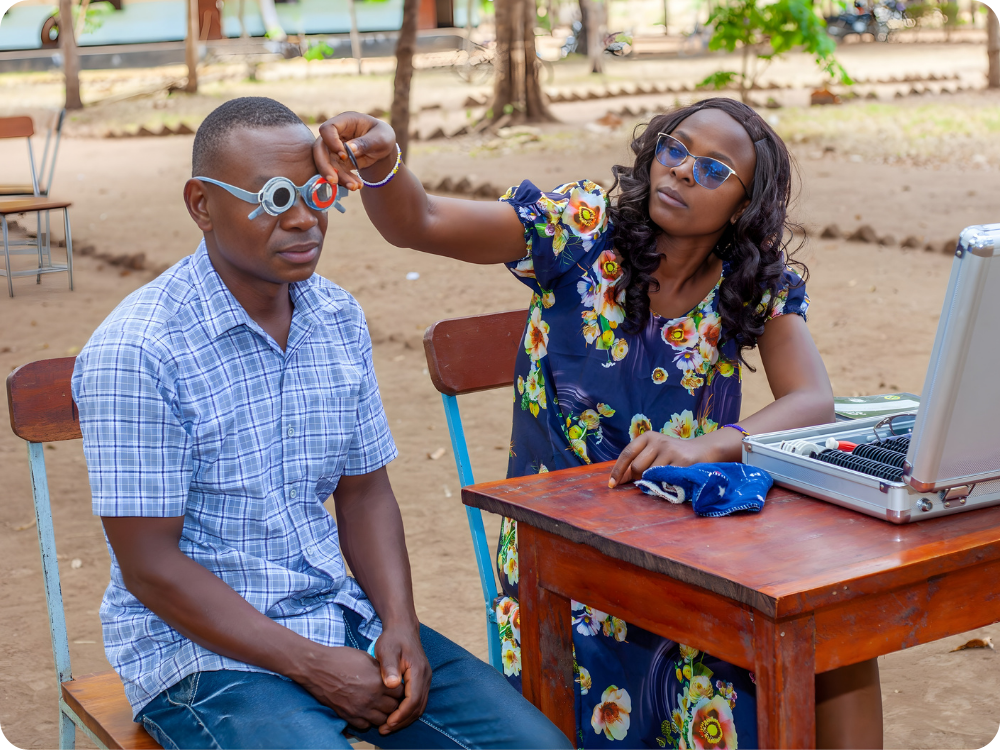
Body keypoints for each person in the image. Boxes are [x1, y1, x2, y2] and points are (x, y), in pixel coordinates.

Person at [313, 98, 884, 749]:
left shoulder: (747, 281)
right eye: (675, 148)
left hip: (692, 545)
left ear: (743, 205)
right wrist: (385, 164)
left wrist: (705, 447)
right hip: (560, 554)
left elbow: (811, 401)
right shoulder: (579, 233)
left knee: (834, 635)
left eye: (713, 169)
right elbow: (421, 220)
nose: (682, 170)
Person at [71, 96, 573, 750]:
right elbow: (150, 566)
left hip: (340, 617)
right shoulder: (139, 351)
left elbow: (364, 493)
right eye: (274, 198)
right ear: (201, 204)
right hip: (199, 657)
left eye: (317, 191)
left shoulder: (336, 317)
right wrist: (311, 666)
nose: (305, 217)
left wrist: (399, 623)